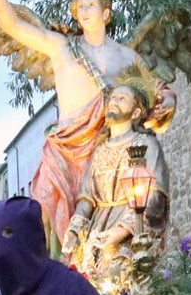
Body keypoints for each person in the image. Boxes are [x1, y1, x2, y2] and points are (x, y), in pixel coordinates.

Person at [0, 0, 173, 248]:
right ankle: (48, 274)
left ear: (106, 13)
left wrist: (168, 99)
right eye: (79, 7)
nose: (83, 10)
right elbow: (13, 25)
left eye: (90, 4)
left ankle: (88, 277)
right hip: (63, 147)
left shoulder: (127, 57)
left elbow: (156, 89)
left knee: (92, 214)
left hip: (101, 149)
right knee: (44, 210)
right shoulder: (61, 46)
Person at [62, 81, 169, 268]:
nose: (114, 101)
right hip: (98, 230)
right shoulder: (99, 150)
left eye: (122, 98)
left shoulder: (146, 145)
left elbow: (156, 194)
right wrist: (73, 230)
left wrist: (123, 230)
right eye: (112, 98)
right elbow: (87, 198)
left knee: (122, 277)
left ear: (136, 112)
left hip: (132, 228)